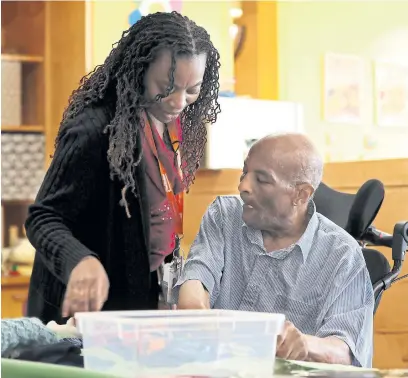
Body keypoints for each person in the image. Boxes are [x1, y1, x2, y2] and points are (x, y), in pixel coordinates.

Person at [25, 11, 221, 324]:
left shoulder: (171, 127)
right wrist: (80, 261)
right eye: (166, 85)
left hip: (136, 314)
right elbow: (43, 219)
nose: (178, 101)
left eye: (192, 90)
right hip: (78, 318)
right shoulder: (94, 130)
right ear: (139, 70)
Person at [176, 133, 374, 368]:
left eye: (262, 180)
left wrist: (304, 345)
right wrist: (196, 314)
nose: (243, 187)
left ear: (301, 194)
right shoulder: (223, 216)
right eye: (244, 173)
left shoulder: (343, 255)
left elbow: (346, 351)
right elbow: (195, 285)